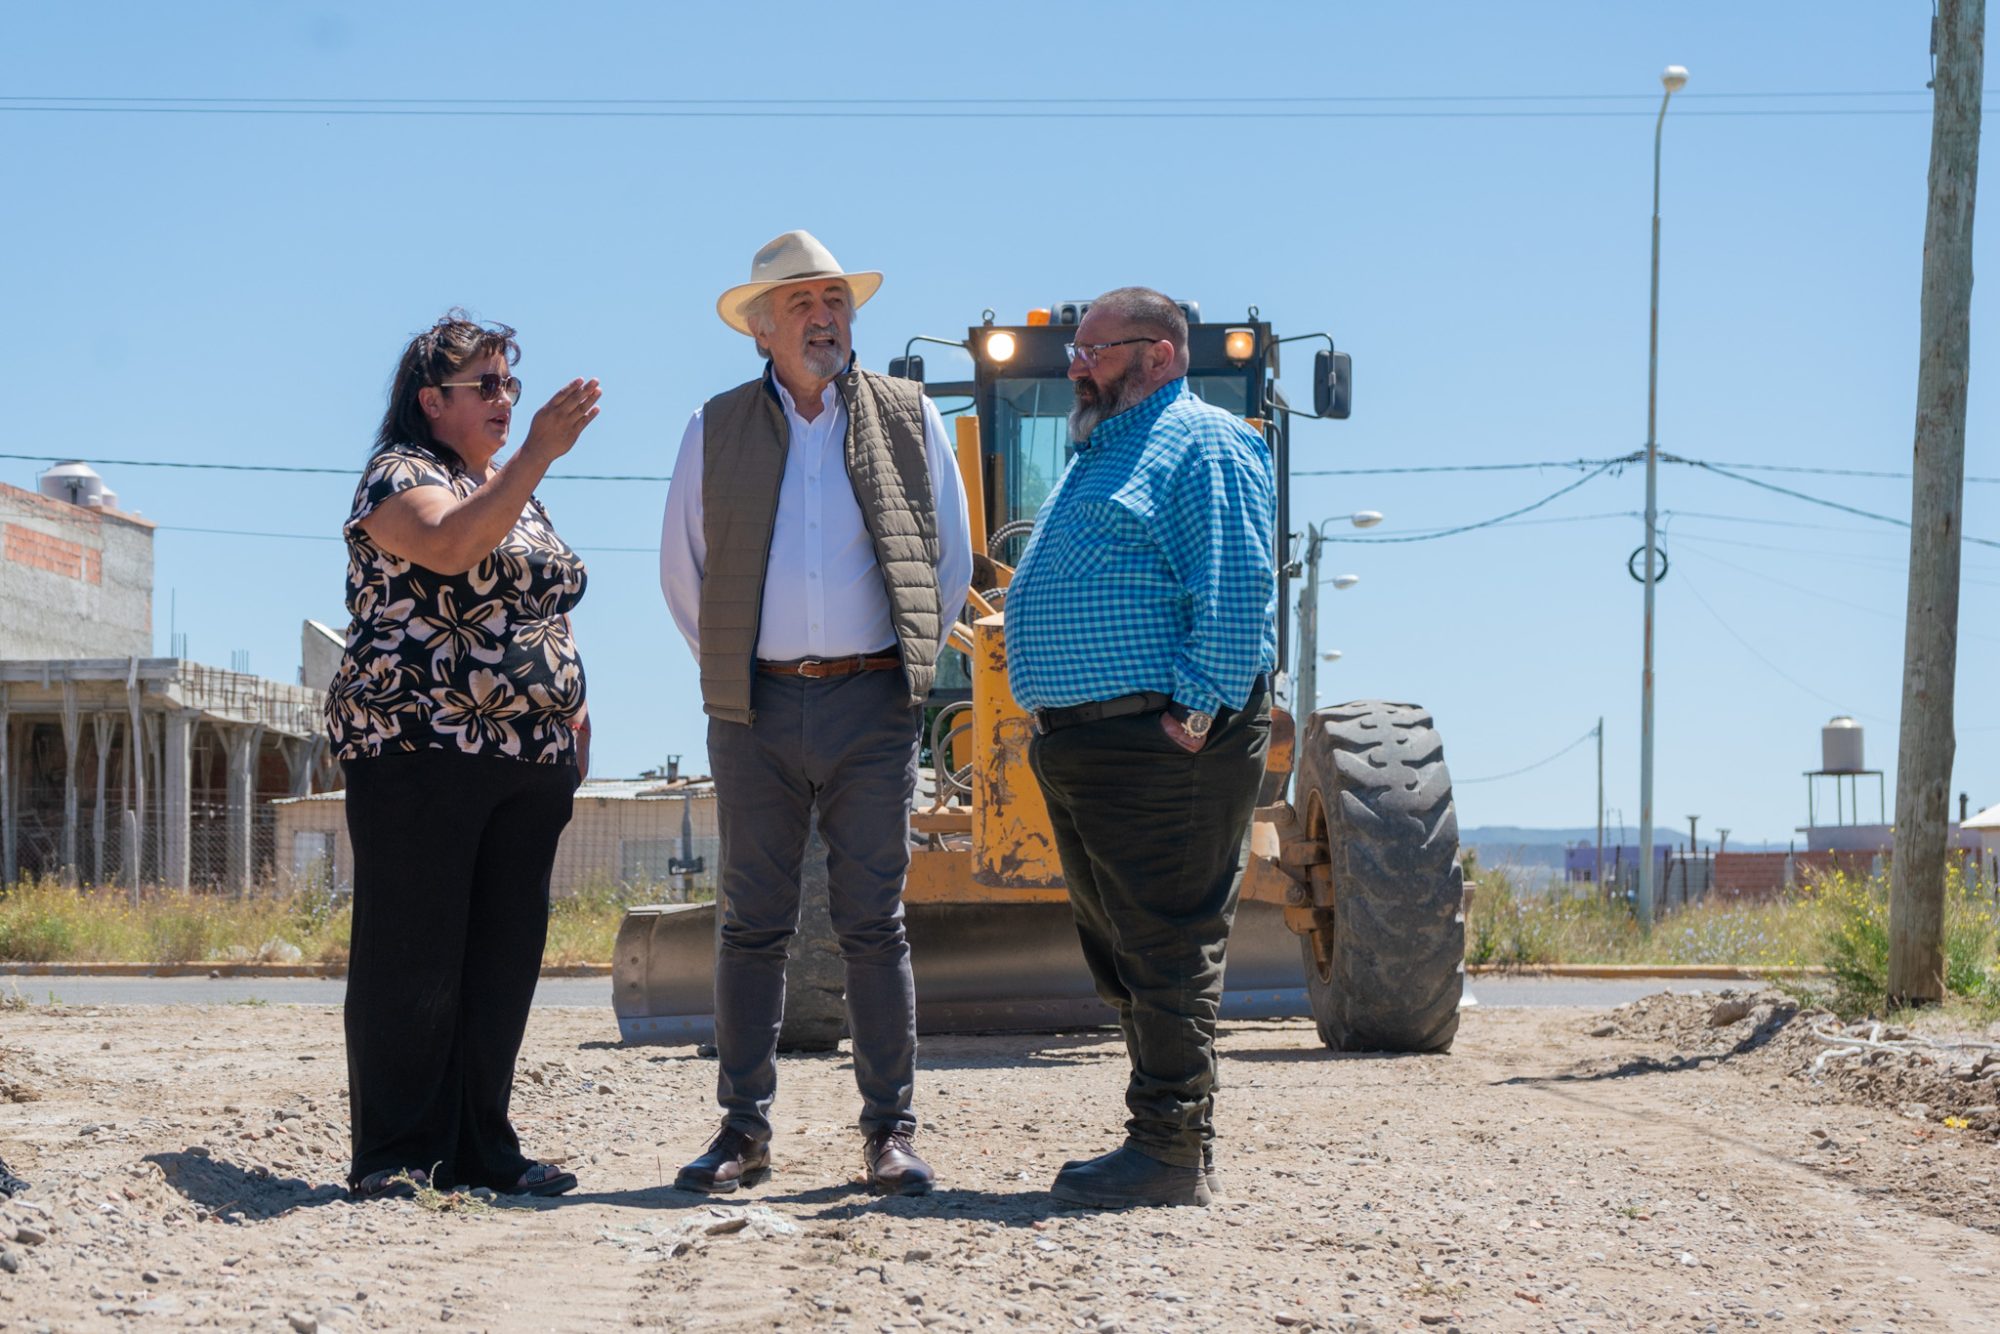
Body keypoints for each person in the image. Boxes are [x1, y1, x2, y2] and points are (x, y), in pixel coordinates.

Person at [659, 231, 972, 1196]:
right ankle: (742, 1133)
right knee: (752, 925)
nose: (825, 317)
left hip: (872, 704)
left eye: (835, 299)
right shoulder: (712, 429)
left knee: (873, 923)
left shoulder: (911, 418)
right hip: (753, 711)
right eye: (801, 304)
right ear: (762, 330)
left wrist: (896, 675)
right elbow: (685, 575)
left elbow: (948, 565)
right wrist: (739, 674)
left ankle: (890, 1134)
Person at [1004, 287, 1276, 1209]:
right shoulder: (1104, 447)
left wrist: (1193, 718)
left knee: (1163, 943)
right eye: (1075, 350)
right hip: (1089, 743)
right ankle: (1163, 1139)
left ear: (1158, 354)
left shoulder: (1202, 440)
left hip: (1160, 741)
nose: (1074, 364)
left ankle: (1168, 1150)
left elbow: (1237, 591)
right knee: (1124, 951)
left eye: (1093, 349)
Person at [326, 311, 602, 1201]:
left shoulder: (515, 489)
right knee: (416, 949)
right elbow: (450, 546)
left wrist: (576, 706)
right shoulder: (398, 477)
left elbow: (540, 604)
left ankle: (483, 1146)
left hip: (528, 757)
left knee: (502, 955)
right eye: (485, 385)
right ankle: (397, 1155)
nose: (505, 399)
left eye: (509, 384)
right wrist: (537, 456)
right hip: (419, 747)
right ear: (429, 400)